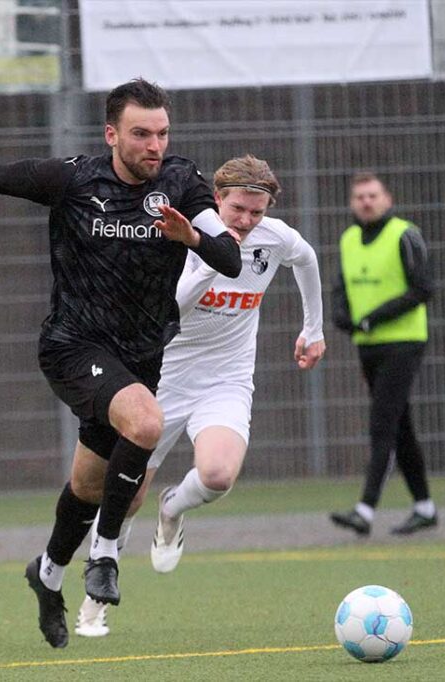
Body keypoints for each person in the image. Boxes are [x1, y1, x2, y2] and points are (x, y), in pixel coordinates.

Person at [0, 78, 242, 649]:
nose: (155, 145)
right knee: (146, 424)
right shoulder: (76, 180)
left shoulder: (182, 182)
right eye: (141, 134)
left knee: (88, 484)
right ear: (112, 135)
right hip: (73, 346)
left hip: (140, 356)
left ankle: (47, 575)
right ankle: (104, 556)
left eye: (162, 133)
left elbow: (231, 260)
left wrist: (192, 236)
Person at [74, 155, 325, 637]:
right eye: (237, 210)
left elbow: (307, 259)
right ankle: (95, 596)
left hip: (225, 379)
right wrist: (216, 259)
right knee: (125, 498)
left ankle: (173, 509)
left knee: (217, 475)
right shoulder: (182, 238)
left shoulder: (275, 238)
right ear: (217, 199)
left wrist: (311, 329)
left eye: (257, 212)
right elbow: (172, 310)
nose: (248, 221)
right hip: (160, 379)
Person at [327, 172, 437, 537]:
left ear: (387, 199)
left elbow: (422, 289)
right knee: (400, 425)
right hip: (368, 345)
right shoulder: (348, 239)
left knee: (383, 423)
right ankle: (425, 507)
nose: (366, 202)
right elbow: (342, 287)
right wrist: (342, 316)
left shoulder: (405, 234)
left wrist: (375, 318)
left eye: (373, 195)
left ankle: (365, 510)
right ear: (351, 202)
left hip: (404, 342)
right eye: (359, 196)